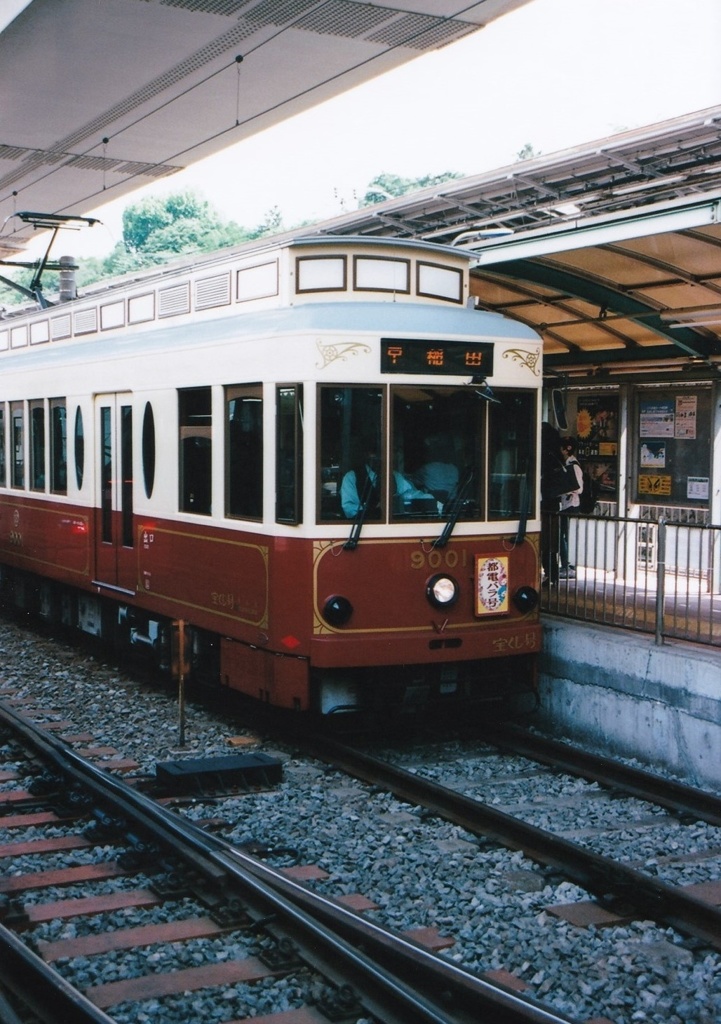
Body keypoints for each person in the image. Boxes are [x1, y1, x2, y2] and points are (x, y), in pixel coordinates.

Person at [558, 437, 583, 578]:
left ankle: (568, 565)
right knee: (564, 536)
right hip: (566, 505)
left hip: (571, 505)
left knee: (566, 537)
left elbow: (579, 488)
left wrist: (566, 490)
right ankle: (566, 564)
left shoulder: (573, 465)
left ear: (565, 449)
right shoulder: (567, 464)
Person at [414, 434, 459, 506]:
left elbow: (415, 481)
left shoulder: (428, 468)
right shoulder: (454, 469)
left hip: (432, 507)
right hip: (451, 507)